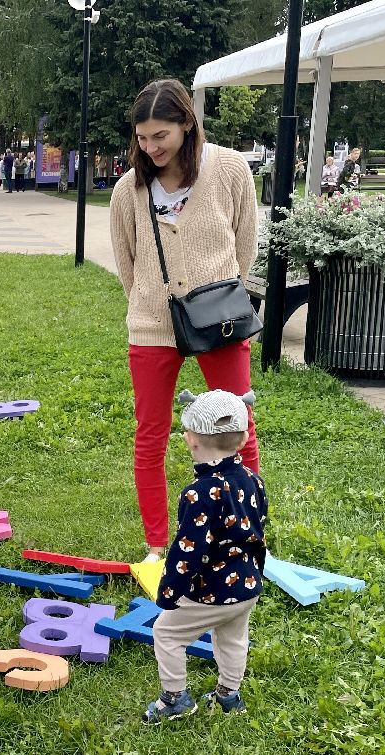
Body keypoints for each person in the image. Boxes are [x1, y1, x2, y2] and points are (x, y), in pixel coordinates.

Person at [109, 78, 260, 562]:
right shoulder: (129, 189)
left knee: (238, 423)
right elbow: (127, 262)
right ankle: (156, 544)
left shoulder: (230, 168)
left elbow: (245, 245)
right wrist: (154, 306)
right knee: (150, 434)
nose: (150, 147)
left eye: (161, 136)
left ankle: (247, 532)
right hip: (152, 325)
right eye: (142, 137)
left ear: (187, 125)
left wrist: (218, 295)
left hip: (220, 319)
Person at [142, 390, 267, 723]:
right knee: (233, 638)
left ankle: (175, 700)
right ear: (243, 439)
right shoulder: (253, 480)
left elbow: (188, 549)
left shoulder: (199, 493)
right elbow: (259, 525)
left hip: (213, 590)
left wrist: (169, 591)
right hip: (247, 584)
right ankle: (228, 696)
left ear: (190, 439)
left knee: (167, 633)